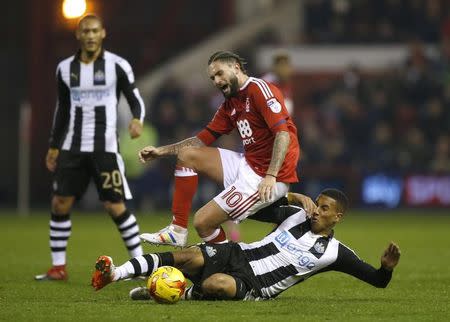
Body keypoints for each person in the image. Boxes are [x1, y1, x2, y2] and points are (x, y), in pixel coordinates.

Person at [91, 189, 401, 301]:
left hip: (254, 285)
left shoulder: (335, 253)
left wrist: (385, 269)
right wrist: (292, 197)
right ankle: (115, 273)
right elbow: (254, 210)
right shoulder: (294, 216)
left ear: (338, 216)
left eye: (324, 208)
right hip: (238, 253)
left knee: (216, 284)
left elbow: (376, 280)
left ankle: (171, 291)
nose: (317, 211)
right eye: (317, 204)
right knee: (187, 256)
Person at [138, 51, 300, 247]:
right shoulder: (230, 103)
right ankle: (177, 230)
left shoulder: (260, 90)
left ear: (236, 68)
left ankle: (232, 262)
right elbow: (200, 140)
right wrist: (160, 151)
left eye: (220, 74)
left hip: (268, 176)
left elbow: (283, 135)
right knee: (187, 155)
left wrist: (271, 175)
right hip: (248, 163)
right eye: (213, 77)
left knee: (202, 222)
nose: (216, 80)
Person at [35, 14, 146, 281]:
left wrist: (137, 120)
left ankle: (140, 265)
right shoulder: (64, 68)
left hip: (105, 148)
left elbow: (135, 98)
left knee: (115, 207)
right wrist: (53, 146)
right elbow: (62, 110)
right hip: (72, 148)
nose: (90, 35)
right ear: (78, 35)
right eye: (85, 31)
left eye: (95, 31)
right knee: (60, 203)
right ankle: (58, 268)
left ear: (103, 33)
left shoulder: (117, 65)